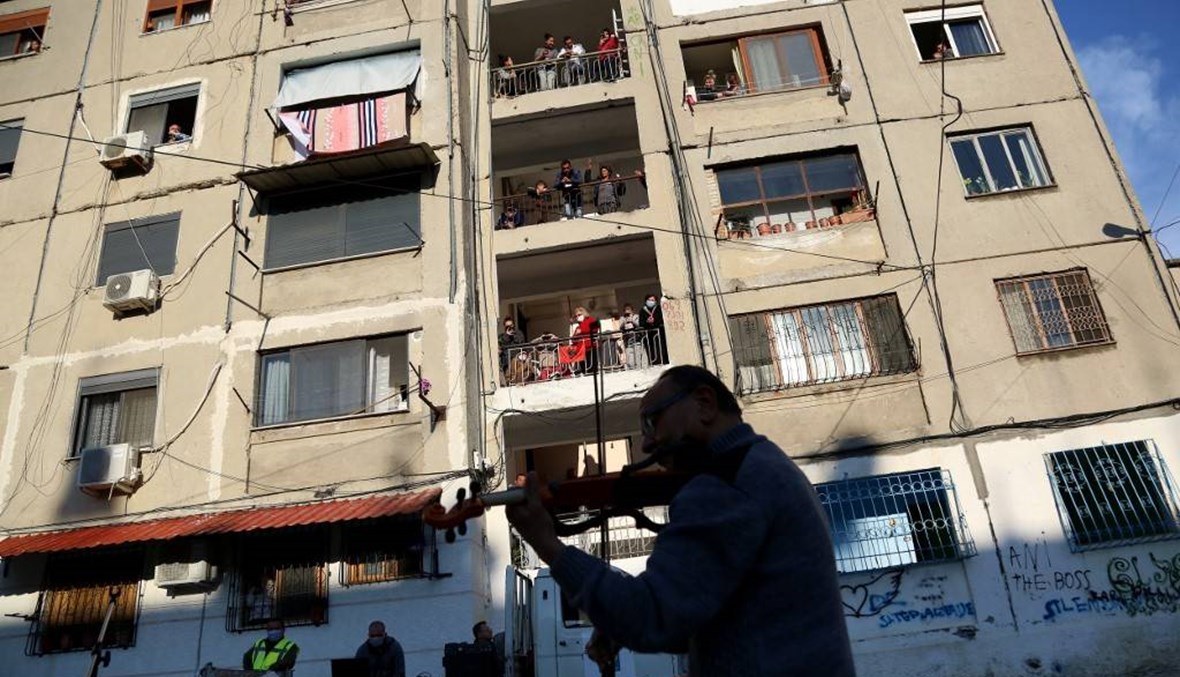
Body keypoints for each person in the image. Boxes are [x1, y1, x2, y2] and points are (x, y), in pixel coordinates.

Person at [506, 366, 856, 676]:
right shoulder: (762, 464)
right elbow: (713, 617)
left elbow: (650, 616)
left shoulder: (727, 482)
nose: (646, 444)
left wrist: (546, 543)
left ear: (704, 404)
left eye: (651, 421)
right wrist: (617, 624)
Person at [640, 293, 667, 365]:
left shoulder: (659, 309)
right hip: (649, 336)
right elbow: (641, 323)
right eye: (649, 300)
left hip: (659, 335)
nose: (650, 301)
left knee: (661, 349)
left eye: (652, 300)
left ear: (655, 301)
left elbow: (663, 320)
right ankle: (653, 363)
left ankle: (663, 361)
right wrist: (647, 322)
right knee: (651, 351)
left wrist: (654, 321)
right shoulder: (642, 311)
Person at [619, 303, 648, 369]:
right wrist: (624, 322)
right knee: (630, 361)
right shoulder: (622, 318)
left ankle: (639, 369)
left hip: (637, 341)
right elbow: (620, 328)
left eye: (629, 312)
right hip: (628, 342)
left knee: (638, 359)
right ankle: (633, 369)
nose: (627, 314)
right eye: (626, 312)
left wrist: (632, 321)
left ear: (632, 311)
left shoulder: (636, 317)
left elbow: (639, 325)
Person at [499, 315, 526, 379]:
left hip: (519, 360)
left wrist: (513, 335)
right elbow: (503, 346)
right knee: (511, 379)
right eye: (507, 326)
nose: (509, 328)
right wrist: (507, 335)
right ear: (504, 327)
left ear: (513, 325)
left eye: (511, 326)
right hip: (508, 363)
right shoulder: (502, 337)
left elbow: (521, 342)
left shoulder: (519, 333)